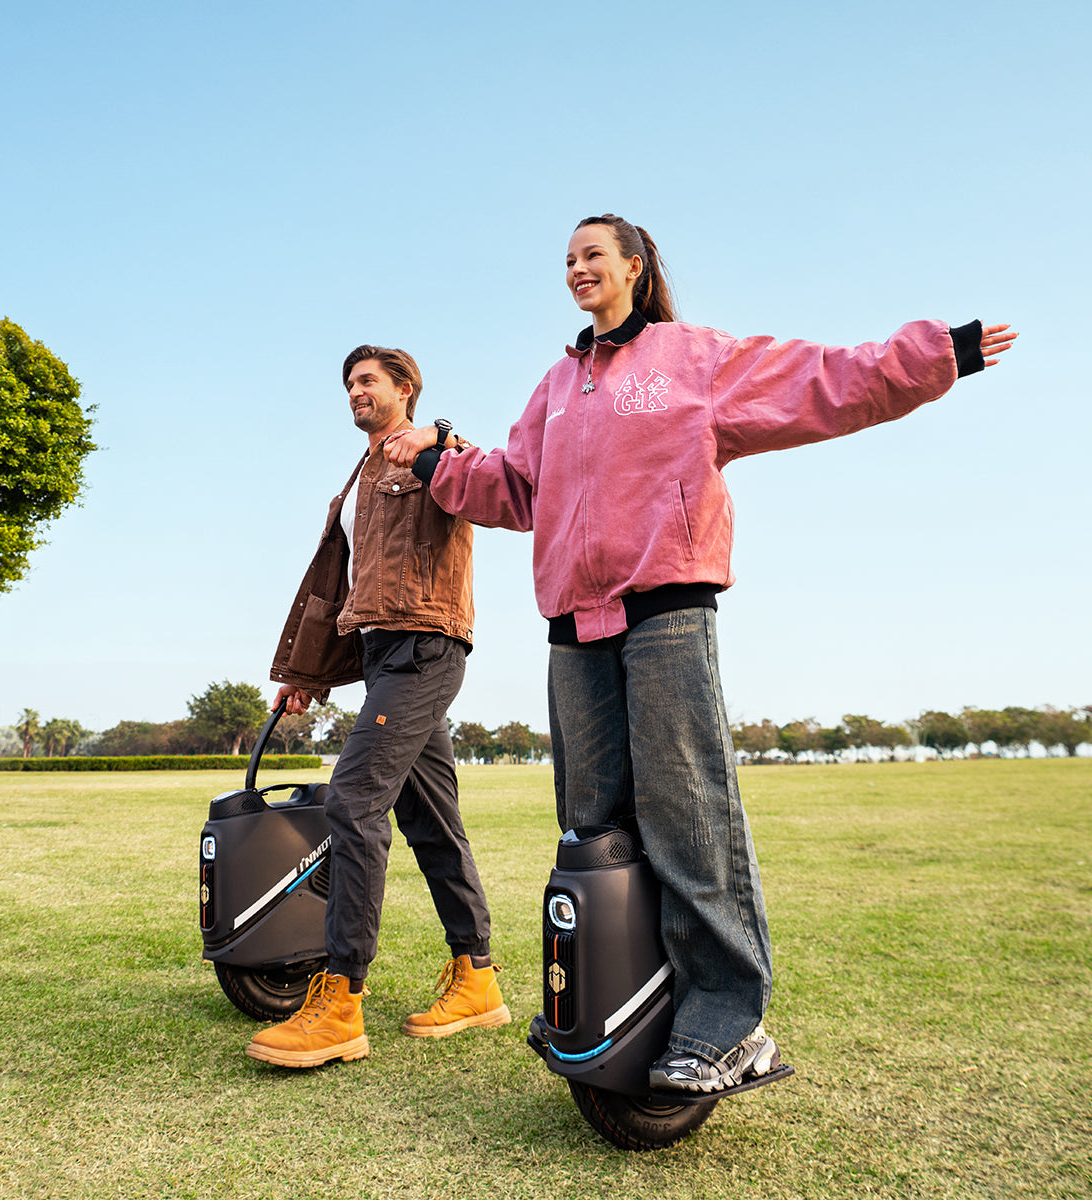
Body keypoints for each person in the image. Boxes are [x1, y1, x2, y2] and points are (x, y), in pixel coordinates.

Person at [384, 214, 1016, 1096]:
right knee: (591, 825)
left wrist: (936, 356)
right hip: (573, 622)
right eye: (567, 259)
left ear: (635, 268)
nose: (577, 269)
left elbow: (824, 382)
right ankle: (617, 994)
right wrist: (440, 468)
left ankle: (727, 1020)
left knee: (686, 813)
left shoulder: (693, 360)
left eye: (592, 255)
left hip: (666, 607)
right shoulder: (558, 386)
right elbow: (516, 486)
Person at [245, 344, 510, 1070]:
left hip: (426, 648)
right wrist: (308, 673)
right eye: (349, 384)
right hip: (381, 655)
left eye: (368, 381)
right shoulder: (358, 479)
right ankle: (478, 979)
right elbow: (340, 588)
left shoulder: (434, 454)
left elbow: (494, 479)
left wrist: (443, 437)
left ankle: (341, 1001)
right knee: (431, 821)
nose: (355, 391)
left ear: (405, 389)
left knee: (355, 800)